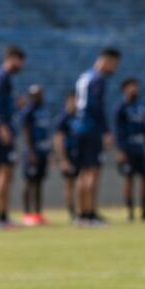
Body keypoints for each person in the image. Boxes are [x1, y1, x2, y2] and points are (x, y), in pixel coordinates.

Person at [74, 47, 121, 226]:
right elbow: (96, 108)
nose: (115, 69)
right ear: (106, 60)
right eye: (114, 64)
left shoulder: (84, 76)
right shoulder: (98, 79)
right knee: (93, 172)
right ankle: (90, 214)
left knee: (83, 172)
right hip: (91, 128)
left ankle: (81, 214)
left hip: (79, 127)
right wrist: (106, 131)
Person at [0, 45, 26, 229]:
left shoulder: (2, 78)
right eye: (20, 61)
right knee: (2, 172)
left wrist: (16, 105)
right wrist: (2, 126)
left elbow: (1, 105)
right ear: (11, 58)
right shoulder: (1, 78)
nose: (22, 65)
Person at [115, 77, 145, 222]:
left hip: (141, 147)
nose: (135, 89)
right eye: (131, 87)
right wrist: (120, 150)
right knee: (129, 179)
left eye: (136, 87)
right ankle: (130, 211)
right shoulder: (121, 108)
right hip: (128, 148)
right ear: (125, 89)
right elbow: (118, 130)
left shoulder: (142, 107)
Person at [19, 85, 51, 226]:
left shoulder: (43, 111)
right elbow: (26, 132)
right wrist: (31, 151)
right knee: (29, 182)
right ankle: (27, 213)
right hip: (33, 151)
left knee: (39, 183)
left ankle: (38, 213)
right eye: (36, 95)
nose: (39, 97)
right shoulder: (28, 112)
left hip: (43, 150)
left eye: (40, 94)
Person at [53, 90, 78, 221]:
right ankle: (71, 211)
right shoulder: (63, 118)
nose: (76, 103)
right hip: (69, 154)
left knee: (81, 182)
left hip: (80, 154)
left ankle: (82, 210)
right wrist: (63, 159)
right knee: (69, 184)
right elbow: (58, 139)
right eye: (73, 100)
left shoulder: (80, 117)